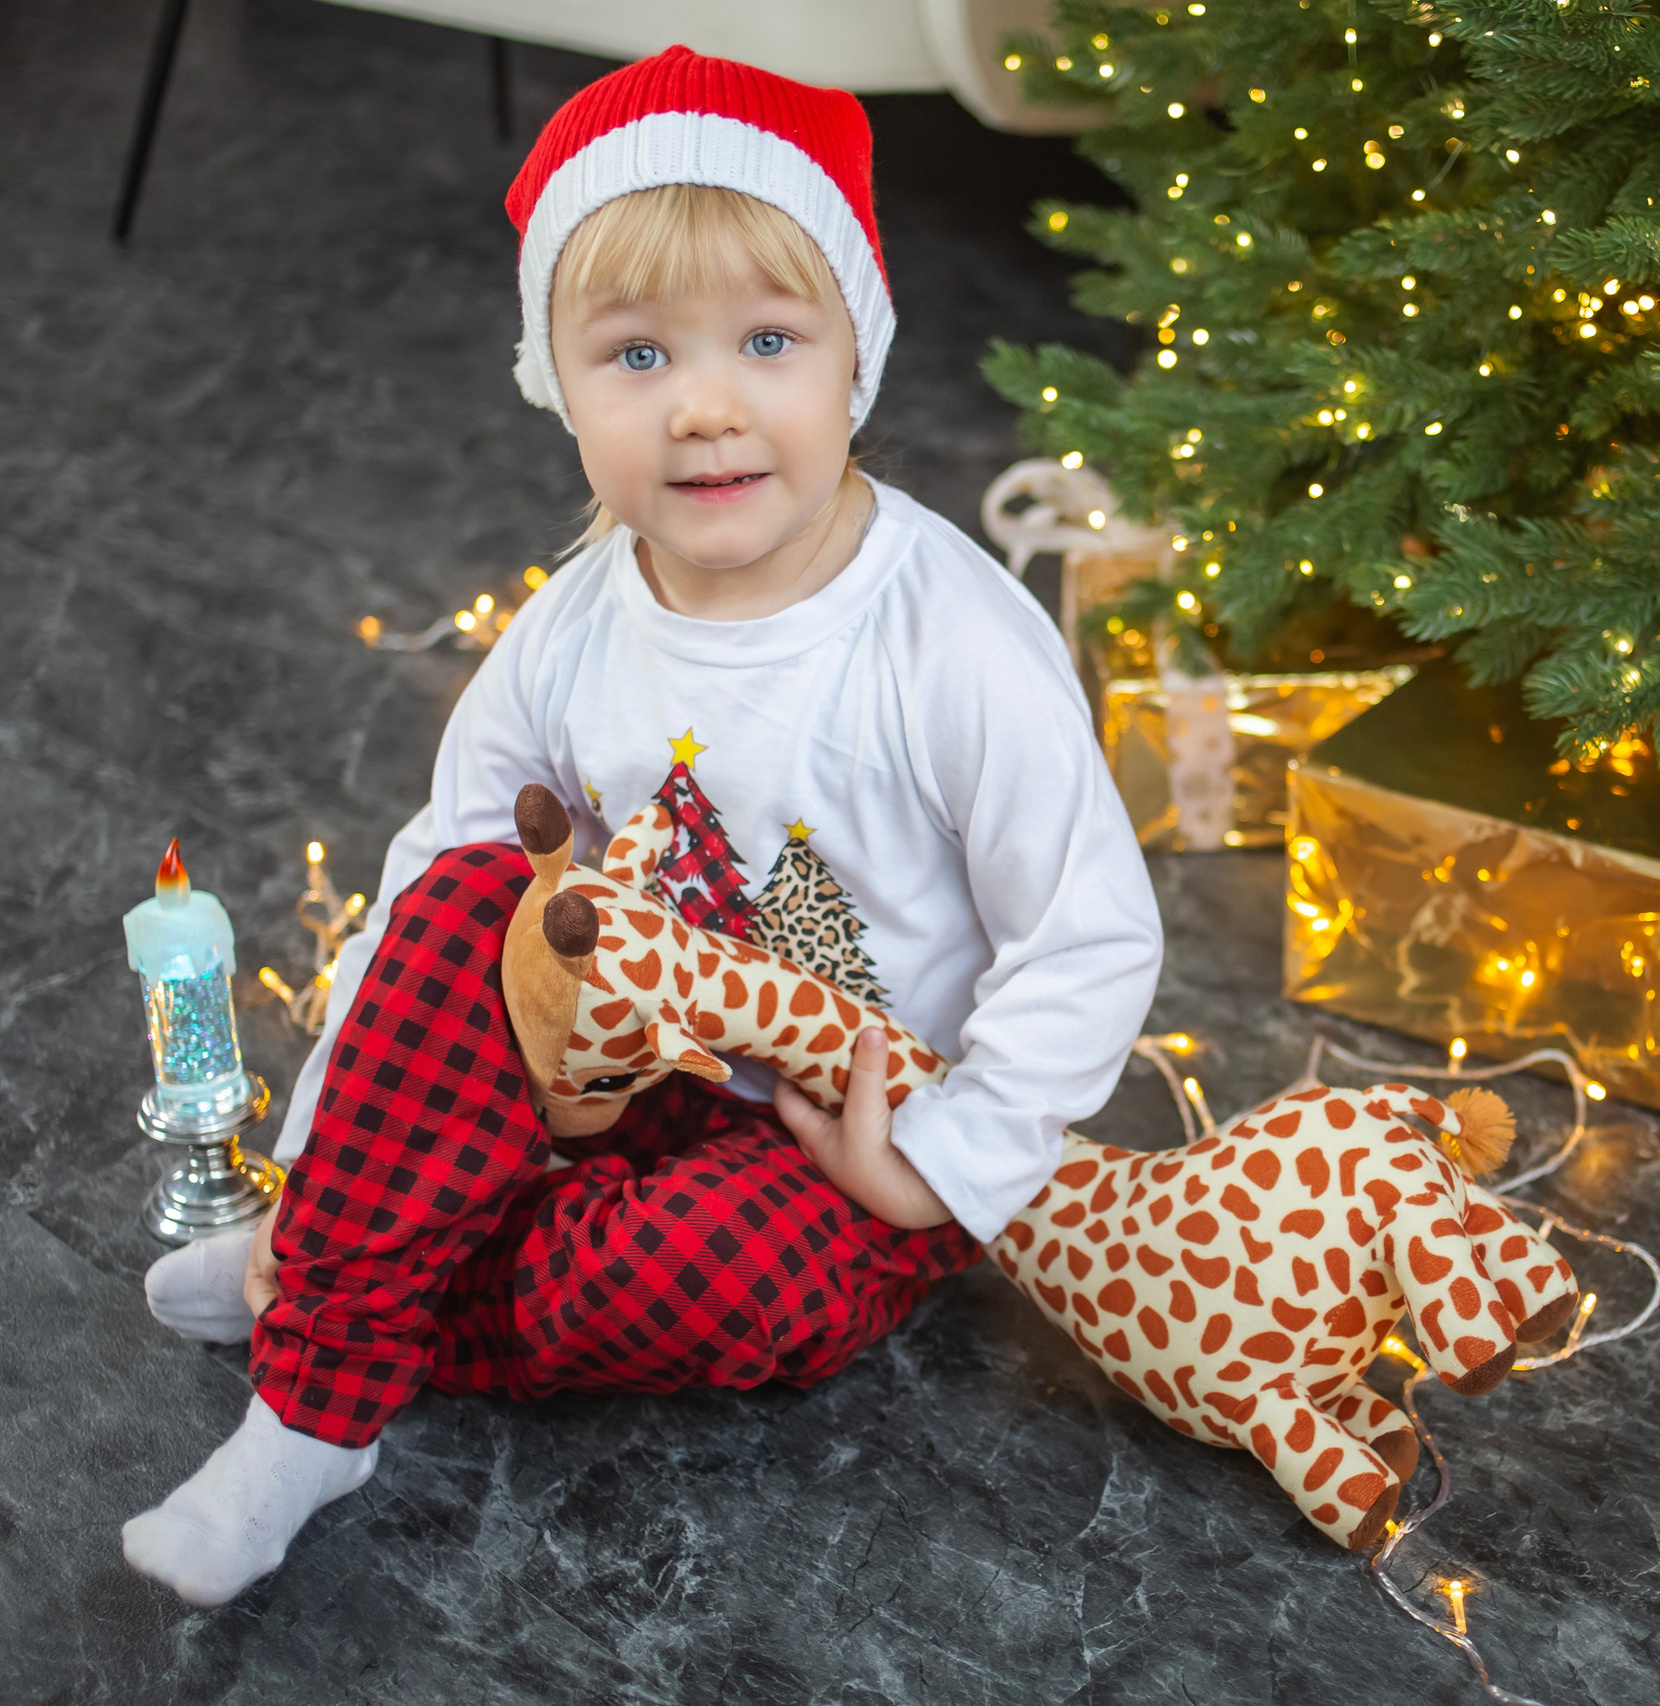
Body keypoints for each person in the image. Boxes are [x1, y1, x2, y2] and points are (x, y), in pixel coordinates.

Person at [121, 47, 1161, 1608]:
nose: (708, 407)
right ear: (557, 383)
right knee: (478, 884)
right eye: (637, 356)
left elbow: (1088, 934)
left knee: (716, 1283)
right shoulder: (580, 616)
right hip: (609, 1069)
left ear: (851, 359)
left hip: (835, 1141)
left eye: (765, 338)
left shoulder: (950, 639)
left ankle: (338, 1291)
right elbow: (433, 885)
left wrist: (936, 1168)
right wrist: (322, 1132)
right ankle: (318, 1389)